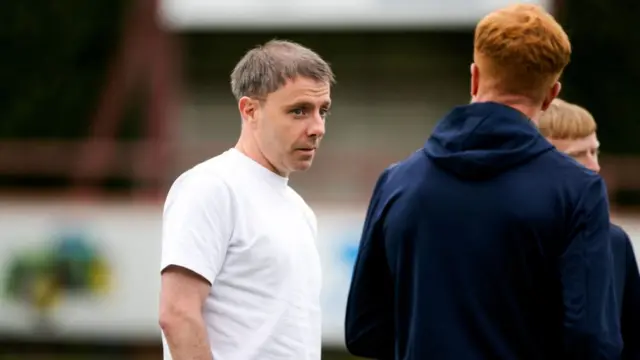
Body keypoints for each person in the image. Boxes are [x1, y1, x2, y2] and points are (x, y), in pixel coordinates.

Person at [345, 4, 622, 360]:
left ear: (474, 77)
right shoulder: (577, 190)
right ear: (552, 95)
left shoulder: (397, 181)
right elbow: (591, 341)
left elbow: (364, 331)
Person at [158, 40, 334, 360]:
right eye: (299, 111)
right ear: (250, 110)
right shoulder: (211, 187)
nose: (317, 128)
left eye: (323, 111)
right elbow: (177, 314)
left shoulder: (300, 210)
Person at [539, 98, 640, 359]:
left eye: (594, 151)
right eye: (576, 155)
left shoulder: (614, 241)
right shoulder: (516, 238)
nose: (594, 166)